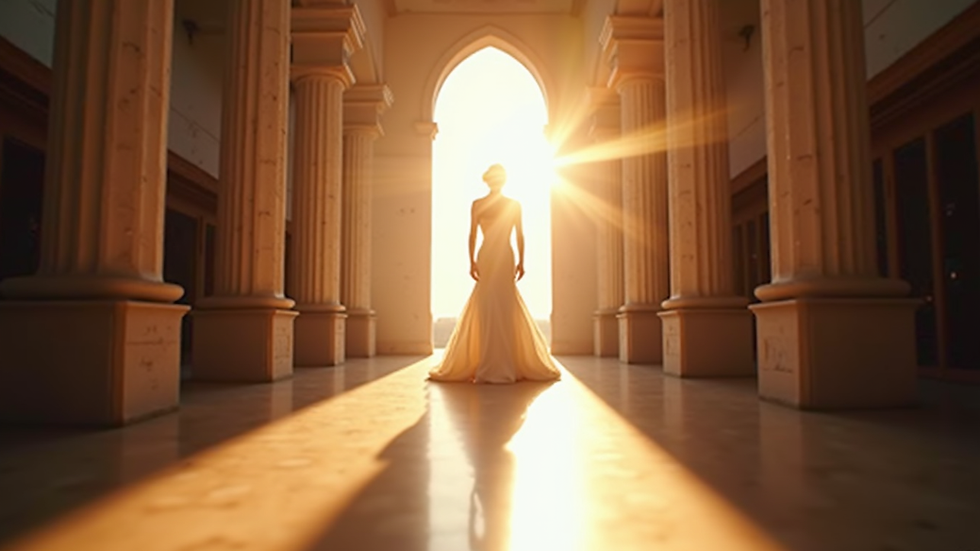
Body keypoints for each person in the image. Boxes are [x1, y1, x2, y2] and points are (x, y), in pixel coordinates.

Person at [428, 164, 561, 383]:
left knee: (504, 304)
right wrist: (471, 261)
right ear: (488, 181)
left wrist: (522, 261)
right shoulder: (479, 204)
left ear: (502, 181)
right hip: (488, 257)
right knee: (487, 305)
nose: (496, 182)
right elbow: (471, 235)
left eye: (499, 178)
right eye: (493, 178)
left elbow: (520, 235)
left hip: (503, 257)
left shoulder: (513, 205)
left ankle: (505, 361)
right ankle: (487, 360)